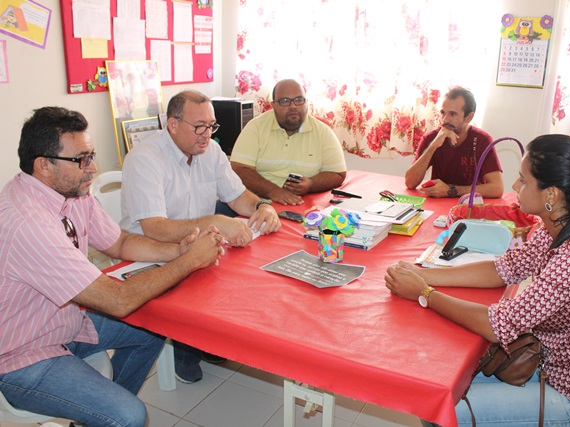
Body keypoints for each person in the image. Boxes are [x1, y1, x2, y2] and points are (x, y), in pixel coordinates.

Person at [0, 107, 224, 427]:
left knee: (153, 327)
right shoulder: (29, 223)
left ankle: (99, 416)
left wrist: (178, 251)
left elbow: (119, 243)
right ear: (44, 165)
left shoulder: (70, 192)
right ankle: (110, 416)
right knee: (129, 415)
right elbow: (118, 301)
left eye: (90, 155)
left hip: (64, 322)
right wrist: (189, 262)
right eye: (81, 159)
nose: (93, 168)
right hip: (22, 356)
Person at [386, 134, 570, 426]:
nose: (515, 187)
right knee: (439, 387)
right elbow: (504, 268)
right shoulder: (559, 226)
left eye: (524, 181)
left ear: (551, 195)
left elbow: (497, 325)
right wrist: (424, 274)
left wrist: (425, 293)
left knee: (441, 411)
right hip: (549, 366)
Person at [120, 90, 282, 384]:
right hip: (150, 251)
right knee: (208, 272)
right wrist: (215, 221)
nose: (207, 134)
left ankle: (209, 338)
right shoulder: (145, 158)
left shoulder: (211, 151)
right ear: (172, 125)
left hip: (198, 244)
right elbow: (154, 228)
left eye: (211, 125)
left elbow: (237, 196)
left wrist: (262, 206)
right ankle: (186, 349)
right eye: (199, 127)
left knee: (248, 272)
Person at [230, 79, 347, 205]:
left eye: (299, 100)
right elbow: (239, 169)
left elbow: (338, 174)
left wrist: (311, 184)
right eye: (285, 101)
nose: (293, 106)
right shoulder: (256, 127)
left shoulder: (323, 132)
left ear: (306, 102)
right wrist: (273, 191)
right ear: (273, 105)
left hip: (302, 205)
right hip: (256, 203)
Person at [405, 86, 504, 199]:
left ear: (469, 117)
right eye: (443, 113)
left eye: (452, 114)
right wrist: (433, 146)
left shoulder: (482, 140)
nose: (445, 120)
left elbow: (497, 188)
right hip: (437, 205)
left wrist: (451, 190)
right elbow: (410, 183)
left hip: (469, 205)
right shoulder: (431, 138)